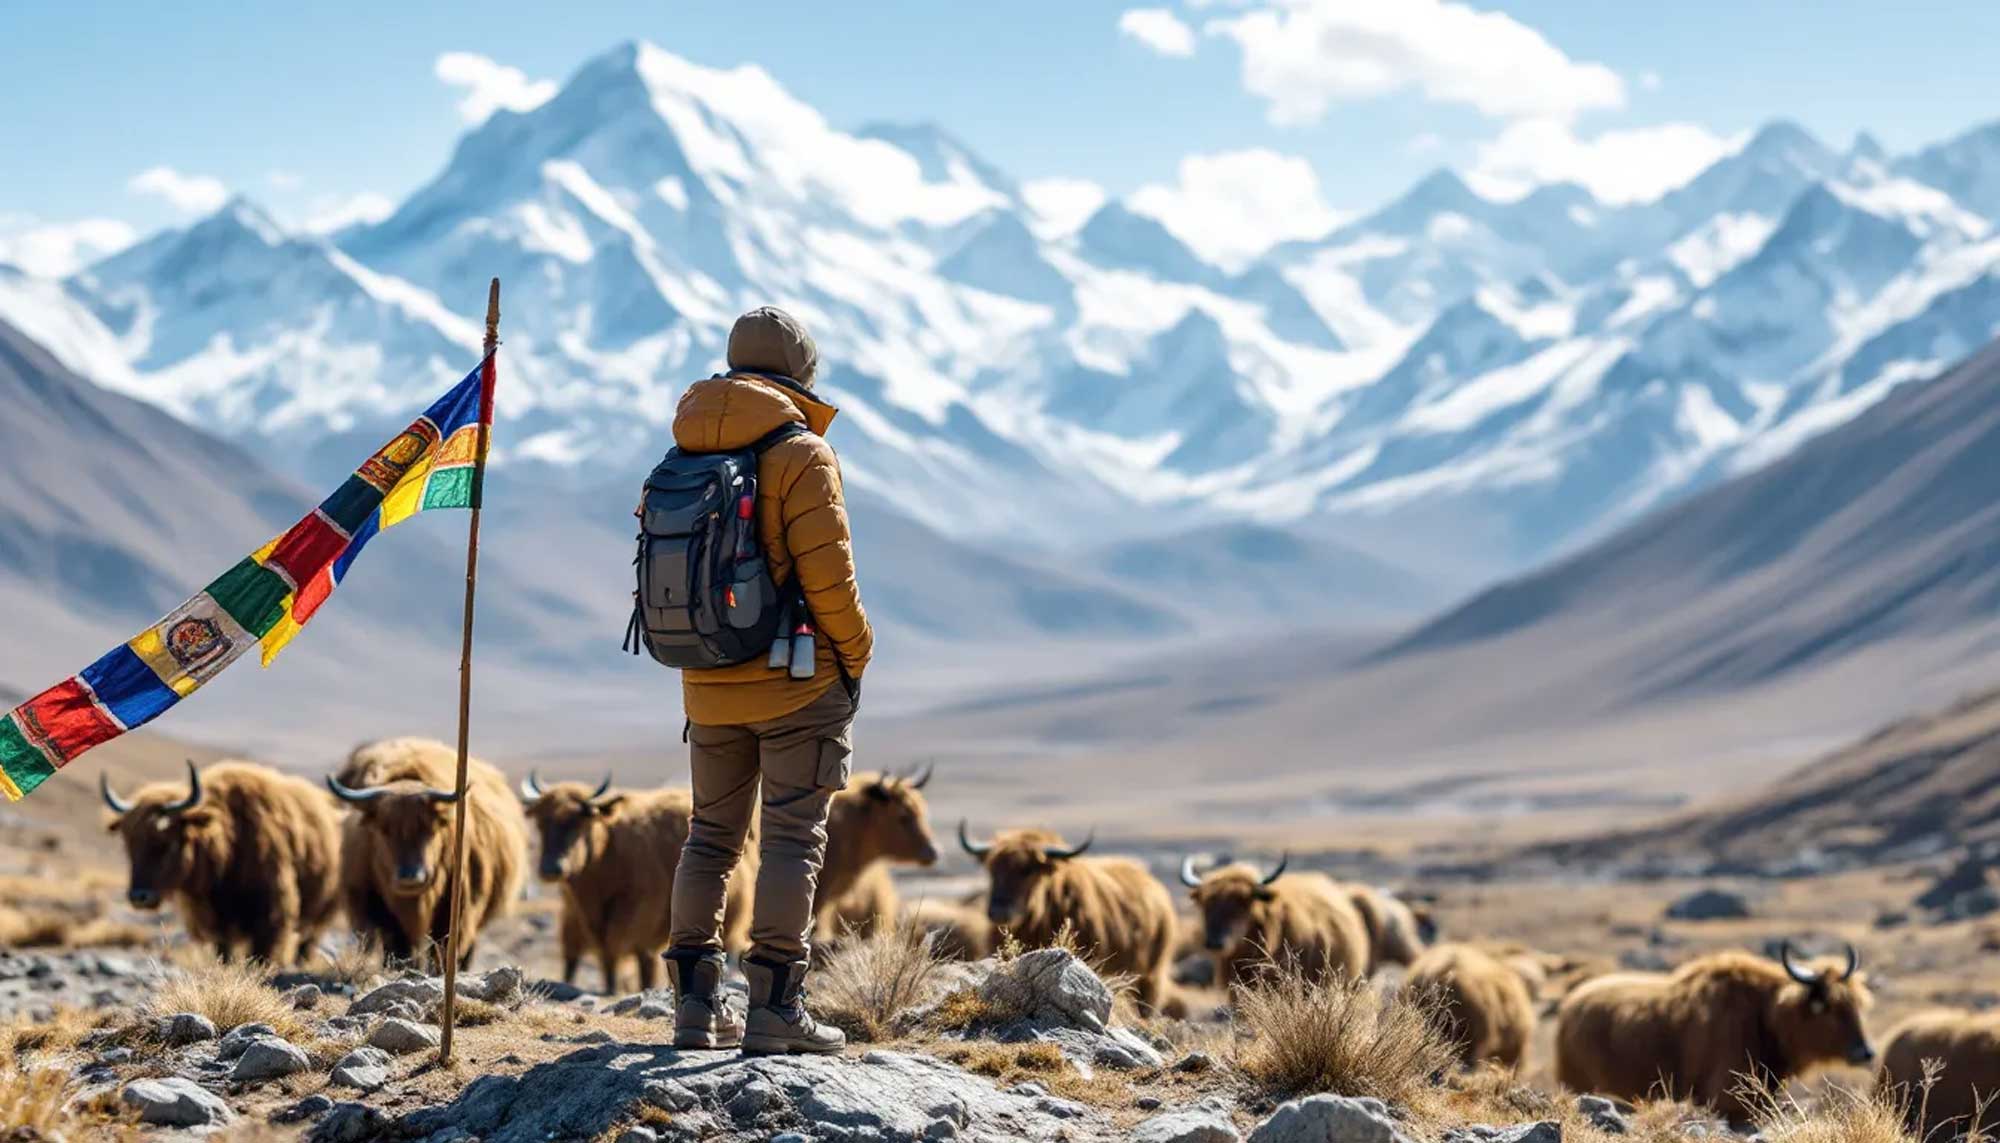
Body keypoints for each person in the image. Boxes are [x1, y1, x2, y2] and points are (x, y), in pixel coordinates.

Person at [661, 307, 872, 1055]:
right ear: (801, 374)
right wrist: (856, 654)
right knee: (790, 840)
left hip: (706, 681)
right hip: (796, 683)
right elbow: (831, 580)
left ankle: (694, 1007)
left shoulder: (684, 444)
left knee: (710, 837)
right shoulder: (801, 452)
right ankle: (776, 1009)